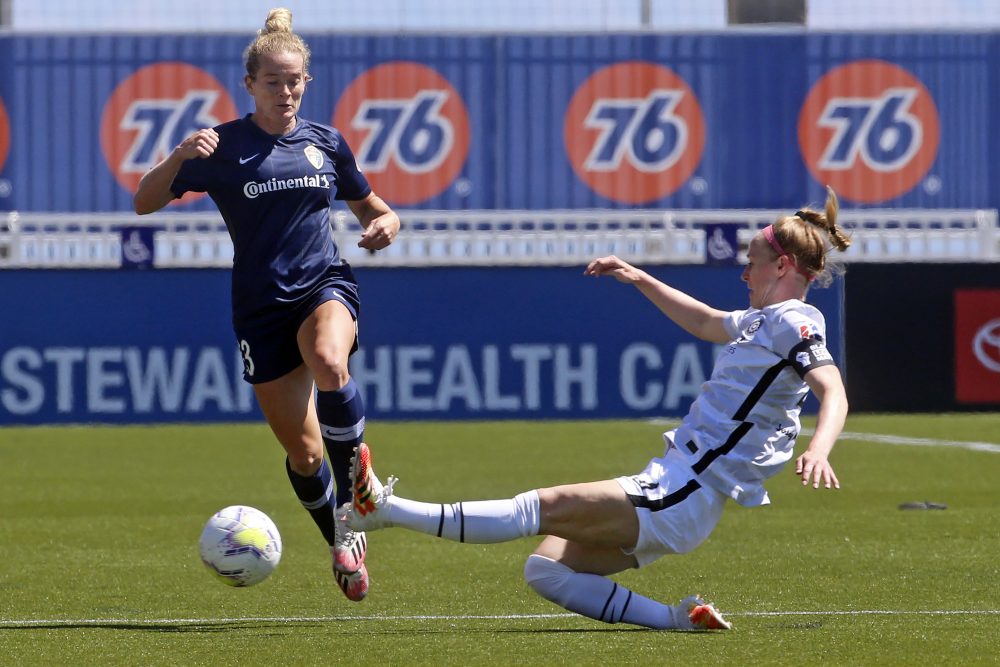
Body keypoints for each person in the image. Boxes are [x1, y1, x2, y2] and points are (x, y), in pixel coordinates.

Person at [346, 187, 851, 629]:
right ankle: (677, 619)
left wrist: (820, 448)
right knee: (546, 570)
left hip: (684, 491)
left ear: (782, 266)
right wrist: (639, 277)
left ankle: (385, 511)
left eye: (753, 262)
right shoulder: (762, 320)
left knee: (538, 507)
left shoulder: (794, 321)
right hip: (677, 485)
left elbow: (833, 390)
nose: (744, 272)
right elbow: (704, 321)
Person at [133, 7, 400, 602]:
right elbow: (144, 201)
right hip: (261, 307)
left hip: (323, 283)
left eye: (295, 81)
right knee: (304, 455)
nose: (286, 91)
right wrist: (179, 155)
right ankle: (341, 535)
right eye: (273, 81)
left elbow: (373, 207)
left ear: (307, 82)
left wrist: (388, 223)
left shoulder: (326, 142)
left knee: (330, 361)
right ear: (249, 84)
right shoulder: (221, 146)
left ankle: (357, 489)